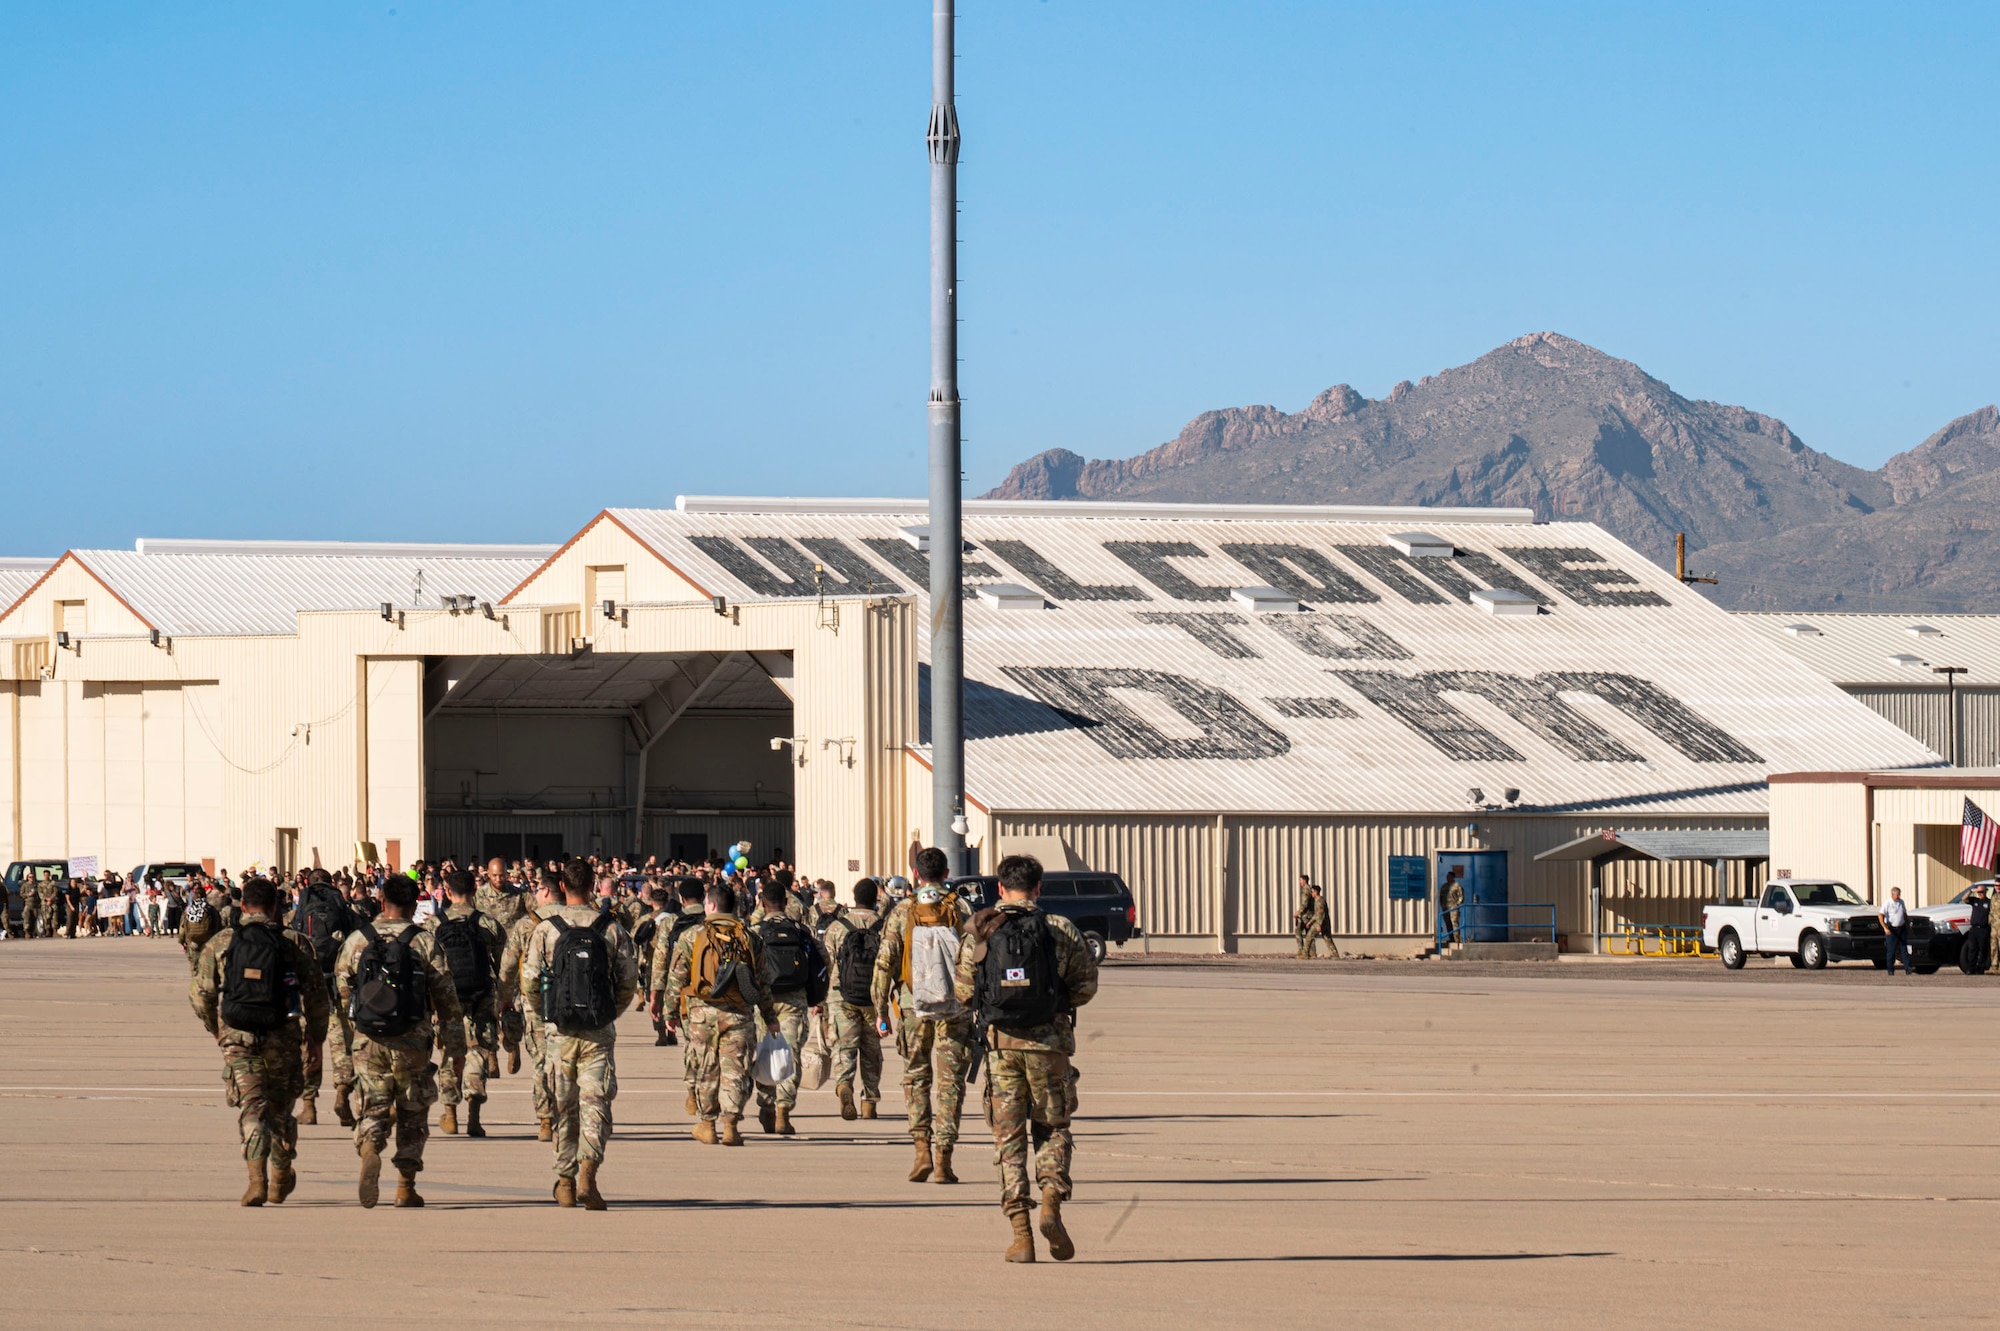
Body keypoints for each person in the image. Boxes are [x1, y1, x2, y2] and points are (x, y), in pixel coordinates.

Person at [956, 853, 1099, 1263]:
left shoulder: (982, 930)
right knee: (1053, 1127)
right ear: (1039, 888)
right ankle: (1052, 1201)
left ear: (1000, 888)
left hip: (1001, 1047)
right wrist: (1053, 1004)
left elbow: (965, 991)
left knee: (1009, 1138)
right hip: (1050, 1046)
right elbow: (1086, 986)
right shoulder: (1059, 929)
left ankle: (1021, 1236)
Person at [188, 875, 330, 1207]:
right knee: (280, 1111)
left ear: (243, 906)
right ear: (274, 907)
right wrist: (316, 1039)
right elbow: (317, 997)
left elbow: (200, 995)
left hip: (238, 1037)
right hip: (282, 1037)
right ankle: (282, 1174)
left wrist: (216, 1029)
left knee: (252, 1108)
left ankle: (257, 1181)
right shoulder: (295, 942)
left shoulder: (222, 942)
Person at [333, 873, 466, 1208]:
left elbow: (344, 993)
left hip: (369, 1040)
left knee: (374, 1105)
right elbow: (447, 999)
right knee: (413, 1111)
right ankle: (405, 1186)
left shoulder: (356, 940)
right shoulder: (423, 942)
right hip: (412, 1041)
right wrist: (455, 1049)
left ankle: (369, 1149)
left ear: (381, 901)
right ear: (412, 906)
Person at [520, 859, 639, 1208]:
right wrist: (607, 1014)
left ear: (563, 886)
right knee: (595, 1103)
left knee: (563, 1106)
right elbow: (628, 982)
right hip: (597, 1032)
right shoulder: (610, 928)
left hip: (560, 1031)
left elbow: (528, 982)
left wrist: (547, 1017)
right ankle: (589, 1169)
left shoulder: (545, 929)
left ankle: (565, 1179)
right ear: (592, 887)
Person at [872, 846, 974, 1184]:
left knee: (916, 1075)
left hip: (913, 1004)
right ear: (947, 874)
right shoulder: (960, 907)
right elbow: (975, 958)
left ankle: (921, 1150)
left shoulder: (903, 910)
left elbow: (884, 962)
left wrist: (880, 1010)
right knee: (950, 1082)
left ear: (916, 874)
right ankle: (944, 1158)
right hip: (953, 1006)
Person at [664, 881, 777, 1147]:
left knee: (706, 1069)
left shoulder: (692, 936)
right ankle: (731, 1126)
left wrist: (669, 1012)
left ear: (711, 906)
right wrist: (770, 1017)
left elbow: (676, 978)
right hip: (739, 1014)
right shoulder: (751, 937)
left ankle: (707, 1125)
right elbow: (762, 983)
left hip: (702, 1015)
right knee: (734, 1070)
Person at [426, 869, 508, 1138]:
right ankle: (474, 1115)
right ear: (475, 891)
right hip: (481, 995)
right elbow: (502, 965)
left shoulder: (434, 925)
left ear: (447, 892)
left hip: (447, 997)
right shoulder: (488, 924)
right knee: (478, 1051)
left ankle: (450, 1114)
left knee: (451, 1051)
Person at [752, 879, 829, 1135]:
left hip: (764, 1002)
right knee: (790, 1054)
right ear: (786, 903)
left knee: (764, 1052)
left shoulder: (755, 930)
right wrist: (817, 997)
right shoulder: (800, 930)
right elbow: (823, 960)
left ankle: (767, 1105)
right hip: (794, 1000)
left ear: (763, 904)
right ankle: (784, 1111)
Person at [288, 868, 358, 1126]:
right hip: (340, 986)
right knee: (343, 1044)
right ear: (331, 885)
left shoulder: (297, 915)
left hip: (309, 987)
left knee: (311, 1045)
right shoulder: (347, 914)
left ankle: (309, 1106)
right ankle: (342, 1095)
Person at [498, 870, 564, 1141]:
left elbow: (509, 965)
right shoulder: (578, 918)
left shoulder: (527, 924)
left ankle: (546, 1120)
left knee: (540, 1060)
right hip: (571, 1001)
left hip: (536, 1001)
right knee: (566, 1060)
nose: (535, 894)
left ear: (546, 892)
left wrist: (503, 999)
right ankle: (568, 1114)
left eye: (537, 889)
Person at [822, 877, 885, 1120]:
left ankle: (844, 1085)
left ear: (854, 897)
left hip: (841, 995)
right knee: (871, 1050)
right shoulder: (884, 926)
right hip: (872, 997)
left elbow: (827, 965)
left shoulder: (837, 927)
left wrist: (822, 1004)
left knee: (844, 1048)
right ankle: (869, 1101)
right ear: (875, 898)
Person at [650, 878, 709, 1110]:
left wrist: (657, 995)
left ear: (681, 899)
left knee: (692, 1045)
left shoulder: (670, 924)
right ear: (704, 899)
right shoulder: (712, 922)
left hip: (685, 995)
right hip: (717, 993)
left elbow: (661, 961)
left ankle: (693, 1092)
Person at [1293, 876, 1334, 959]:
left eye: (1300, 880)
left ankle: (1303, 952)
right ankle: (1312, 952)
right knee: (1322, 936)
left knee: (1301, 932)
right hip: (1311, 916)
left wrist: (1298, 912)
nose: (1299, 882)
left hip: (1306, 915)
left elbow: (1305, 904)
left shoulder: (1306, 890)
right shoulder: (1313, 894)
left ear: (1304, 881)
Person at [1881, 885, 1912, 976]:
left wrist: (1907, 925)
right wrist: (1885, 927)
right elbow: (1880, 915)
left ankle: (1908, 968)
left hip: (1901, 927)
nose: (1898, 896)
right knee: (1891, 950)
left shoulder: (1901, 902)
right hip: (1891, 929)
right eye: (1897, 895)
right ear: (1892, 894)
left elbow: (1904, 914)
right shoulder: (1887, 903)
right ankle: (1890, 969)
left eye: (1899, 894)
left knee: (1904, 949)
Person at [1964, 885, 1991, 975]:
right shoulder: (1974, 900)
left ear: (1985, 892)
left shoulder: (1989, 902)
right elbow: (1964, 898)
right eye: (1978, 892)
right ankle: (1970, 968)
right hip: (1974, 929)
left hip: (1983, 929)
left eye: (1982, 892)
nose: (1980, 894)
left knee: (1983, 949)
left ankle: (1981, 968)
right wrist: (1971, 890)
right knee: (1972, 949)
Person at [1439, 866, 1465, 947]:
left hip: (1454, 907)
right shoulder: (1444, 886)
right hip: (1446, 907)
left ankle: (1457, 939)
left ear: (1452, 877)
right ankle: (1451, 938)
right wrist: (1442, 905)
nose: (1448, 878)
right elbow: (1441, 896)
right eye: (1447, 877)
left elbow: (1461, 896)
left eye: (1449, 876)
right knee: (1448, 923)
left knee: (1454, 923)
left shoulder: (1457, 886)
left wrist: (1457, 904)